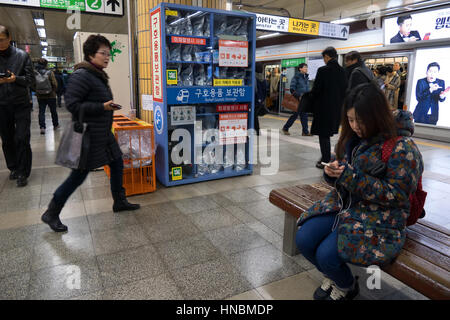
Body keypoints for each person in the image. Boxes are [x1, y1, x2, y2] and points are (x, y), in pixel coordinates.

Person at [295, 83, 424, 300]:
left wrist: (351, 178)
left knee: (326, 254)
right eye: (351, 120)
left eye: (360, 121)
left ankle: (345, 286)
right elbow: (345, 172)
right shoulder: (355, 139)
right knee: (304, 240)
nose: (355, 126)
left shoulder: (403, 147)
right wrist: (332, 172)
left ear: (377, 115)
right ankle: (338, 278)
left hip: (380, 216)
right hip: (345, 205)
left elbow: (398, 195)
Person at [41, 34, 140, 232]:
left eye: (108, 54)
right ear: (90, 54)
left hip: (102, 133)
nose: (107, 57)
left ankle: (119, 201)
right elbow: (72, 105)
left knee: (117, 163)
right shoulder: (82, 75)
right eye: (103, 53)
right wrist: (102, 107)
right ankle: (51, 212)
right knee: (78, 176)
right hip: (87, 136)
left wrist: (105, 106)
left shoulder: (97, 74)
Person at [0, 25, 34, 187]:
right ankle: (13, 167)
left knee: (21, 137)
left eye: (1, 40)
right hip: (1, 104)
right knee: (7, 139)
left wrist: (15, 79)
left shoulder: (22, 56)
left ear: (8, 38)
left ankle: (23, 171)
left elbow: (30, 80)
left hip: (20, 103)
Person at [310, 47, 348, 169]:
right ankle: (327, 157)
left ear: (326, 56)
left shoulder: (323, 70)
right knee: (329, 133)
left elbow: (316, 90)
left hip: (323, 108)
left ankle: (325, 159)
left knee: (323, 135)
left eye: (324, 58)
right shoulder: (343, 71)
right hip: (337, 108)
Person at [282, 63, 311, 136]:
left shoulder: (306, 78)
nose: (306, 69)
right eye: (304, 67)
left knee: (304, 116)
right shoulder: (296, 77)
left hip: (304, 100)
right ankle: (285, 128)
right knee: (295, 115)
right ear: (300, 69)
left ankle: (305, 131)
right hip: (298, 100)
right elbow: (292, 89)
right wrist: (299, 96)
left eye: (306, 67)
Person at [34, 58, 60, 134]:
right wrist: (53, 90)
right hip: (51, 95)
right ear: (46, 64)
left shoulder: (35, 73)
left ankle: (42, 127)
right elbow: (55, 83)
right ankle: (55, 125)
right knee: (53, 111)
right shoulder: (49, 72)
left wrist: (36, 91)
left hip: (40, 95)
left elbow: (32, 84)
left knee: (41, 111)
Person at [254, 63, 267, 135]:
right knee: (255, 116)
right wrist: (262, 100)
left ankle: (256, 130)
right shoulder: (263, 79)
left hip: (254, 100)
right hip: (260, 100)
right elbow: (265, 91)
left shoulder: (253, 78)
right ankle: (257, 130)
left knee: (253, 116)